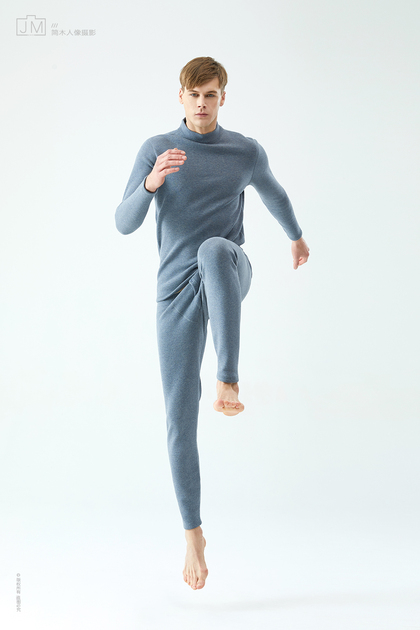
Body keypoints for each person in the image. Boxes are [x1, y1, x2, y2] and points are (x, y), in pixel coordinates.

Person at [115, 56, 310, 591]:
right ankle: (193, 533)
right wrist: (151, 183)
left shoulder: (244, 151)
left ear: (223, 97)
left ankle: (228, 378)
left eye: (211, 94)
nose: (202, 103)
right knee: (179, 418)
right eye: (194, 94)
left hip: (227, 268)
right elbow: (123, 223)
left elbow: (274, 193)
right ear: (180, 97)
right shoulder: (157, 149)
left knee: (212, 247)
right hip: (175, 290)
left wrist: (295, 237)